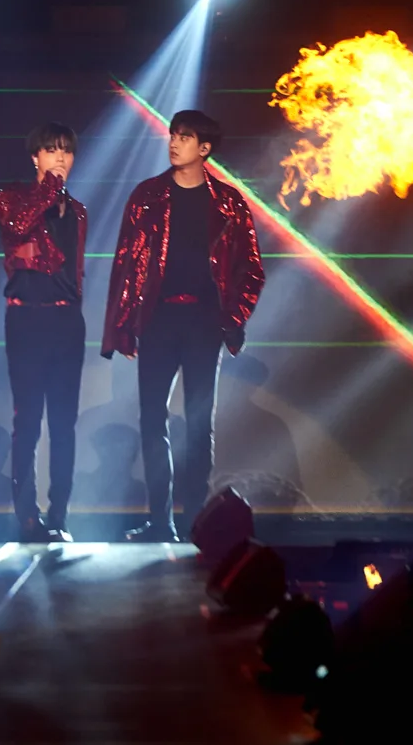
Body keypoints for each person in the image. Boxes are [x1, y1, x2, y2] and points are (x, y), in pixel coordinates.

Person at [102, 109, 264, 543]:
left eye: (185, 137)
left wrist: (231, 318)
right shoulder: (147, 196)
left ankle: (195, 521)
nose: (173, 142)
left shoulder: (228, 202)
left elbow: (251, 269)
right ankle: (160, 521)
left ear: (204, 148)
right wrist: (122, 323)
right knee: (152, 418)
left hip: (204, 324)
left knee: (198, 423)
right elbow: (125, 262)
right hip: (158, 320)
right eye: (173, 134)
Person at [0, 122, 87, 543]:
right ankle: (27, 517)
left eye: (66, 150)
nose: (60, 157)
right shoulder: (10, 198)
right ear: (35, 157)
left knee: (64, 424)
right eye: (51, 150)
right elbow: (17, 226)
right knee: (27, 421)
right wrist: (49, 188)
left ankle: (59, 515)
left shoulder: (78, 211)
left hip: (67, 322)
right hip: (26, 320)